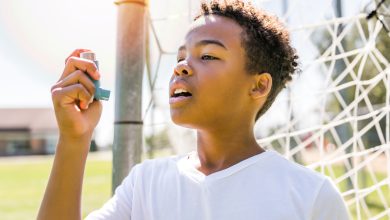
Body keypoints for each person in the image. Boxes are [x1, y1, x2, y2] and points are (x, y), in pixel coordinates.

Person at [38, 1, 350, 219]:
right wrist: (74, 139)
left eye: (209, 56)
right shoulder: (144, 183)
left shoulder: (311, 196)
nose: (183, 67)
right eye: (181, 57)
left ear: (258, 86)